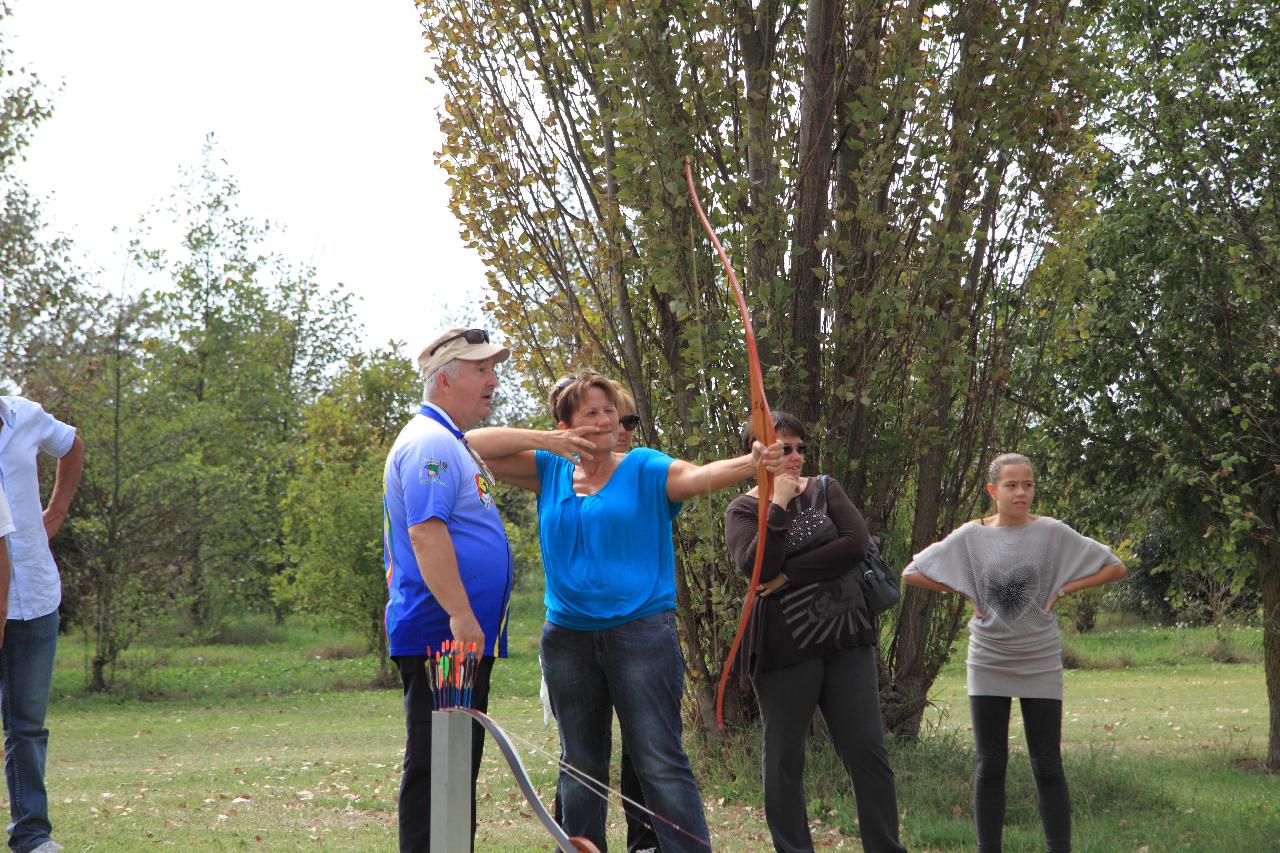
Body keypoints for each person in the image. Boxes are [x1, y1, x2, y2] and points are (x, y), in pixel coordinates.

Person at [468, 369, 783, 853]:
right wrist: (551, 441)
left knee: (658, 758)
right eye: (590, 412)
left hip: (641, 634)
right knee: (580, 763)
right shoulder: (549, 469)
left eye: (609, 410)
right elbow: (471, 443)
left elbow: (699, 477)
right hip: (567, 638)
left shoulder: (643, 466)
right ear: (566, 423)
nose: (604, 420)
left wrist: (751, 462)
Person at [382, 328, 594, 852]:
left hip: (455, 635)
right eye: (481, 370)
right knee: (439, 766)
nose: (493, 381)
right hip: (442, 634)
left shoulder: (448, 440)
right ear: (446, 378)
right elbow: (425, 532)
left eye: (491, 370)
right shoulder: (430, 443)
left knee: (454, 764)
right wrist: (459, 614)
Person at [902, 452, 1126, 853]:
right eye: (1012, 485)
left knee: (1047, 764)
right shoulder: (971, 536)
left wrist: (1062, 589)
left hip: (1039, 659)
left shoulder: (1052, 532)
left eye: (1028, 484)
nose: (1022, 492)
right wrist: (966, 588)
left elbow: (1114, 566)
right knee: (991, 764)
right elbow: (913, 572)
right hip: (987, 659)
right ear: (993, 491)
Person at [724, 411, 907, 853]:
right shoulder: (744, 509)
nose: (795, 457)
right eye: (784, 448)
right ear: (759, 453)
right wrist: (780, 505)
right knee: (784, 760)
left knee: (867, 753)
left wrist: (789, 577)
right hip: (784, 648)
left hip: (847, 639)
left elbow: (854, 545)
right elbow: (756, 567)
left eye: (800, 448)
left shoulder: (826, 489)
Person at [0, 394, 85, 853]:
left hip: (33, 597)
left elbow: (72, 445)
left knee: (27, 726)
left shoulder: (25, 416)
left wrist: (57, 511)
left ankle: (32, 834)